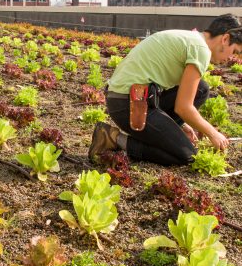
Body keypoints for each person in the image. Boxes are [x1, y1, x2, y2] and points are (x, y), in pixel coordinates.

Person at [88, 13, 242, 165]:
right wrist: (213, 133)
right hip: (128, 105)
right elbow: (183, 107)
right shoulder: (200, 49)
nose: (231, 57)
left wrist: (181, 125)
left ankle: (162, 136)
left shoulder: (193, 38)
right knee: (187, 155)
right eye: (235, 51)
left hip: (132, 99)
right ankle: (114, 138)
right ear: (225, 38)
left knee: (201, 89)